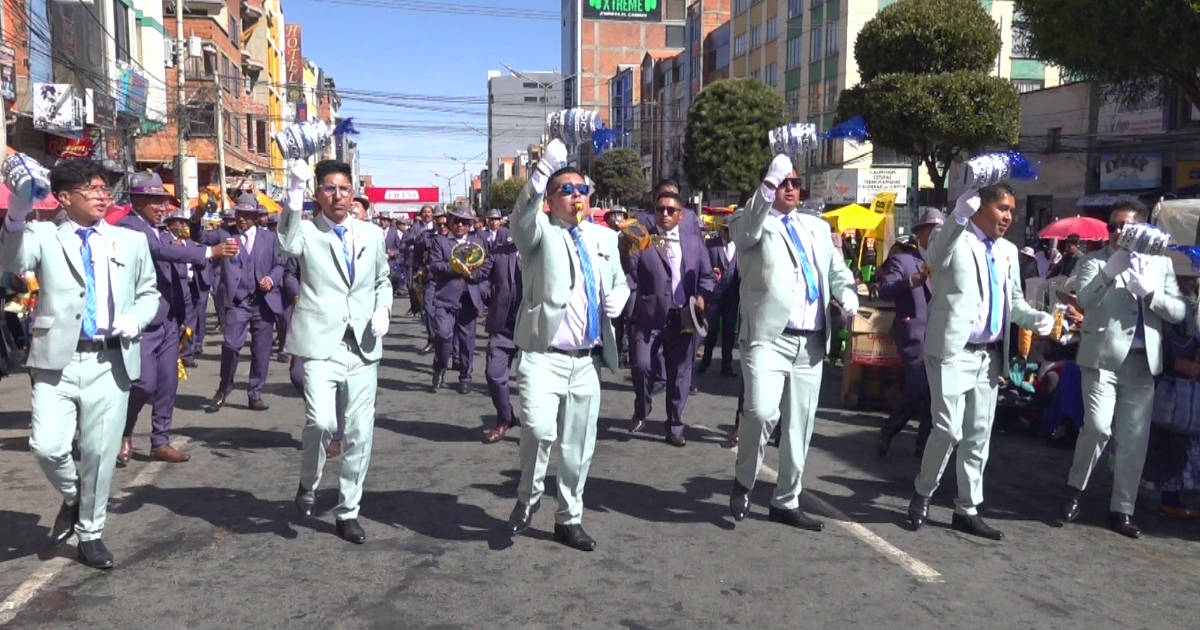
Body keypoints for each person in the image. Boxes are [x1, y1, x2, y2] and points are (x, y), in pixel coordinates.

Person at [1, 159, 159, 568]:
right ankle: (74, 498)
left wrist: (134, 318)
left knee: (99, 453)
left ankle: (91, 532)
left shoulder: (130, 241)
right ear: (64, 197)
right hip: (59, 360)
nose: (102, 195)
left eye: (105, 188)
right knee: (47, 446)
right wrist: (17, 213)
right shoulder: (44, 235)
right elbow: (12, 261)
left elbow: (149, 294)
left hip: (111, 361)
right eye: (91, 188)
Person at [908, 182, 1054, 540]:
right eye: (1002, 208)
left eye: (1011, 210)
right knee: (948, 428)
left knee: (978, 435)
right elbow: (935, 256)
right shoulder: (954, 238)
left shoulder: (1006, 251)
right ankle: (923, 491)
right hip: (953, 351)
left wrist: (1036, 318)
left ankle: (967, 508)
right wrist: (958, 214)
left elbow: (1014, 302)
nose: (1008, 216)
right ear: (981, 207)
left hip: (989, 357)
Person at [507, 139, 630, 551]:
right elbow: (521, 217)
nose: (577, 196)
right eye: (567, 190)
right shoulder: (540, 232)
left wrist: (621, 295)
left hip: (586, 360)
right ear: (552, 200)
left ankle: (569, 517)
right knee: (539, 430)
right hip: (544, 355)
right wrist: (542, 171)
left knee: (578, 447)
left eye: (583, 189)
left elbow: (617, 281)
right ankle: (528, 496)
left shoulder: (605, 238)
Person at [727, 154, 858, 532]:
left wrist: (847, 292)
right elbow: (745, 230)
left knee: (800, 425)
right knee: (762, 412)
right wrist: (767, 183)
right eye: (782, 181)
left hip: (811, 343)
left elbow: (836, 270)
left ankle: (786, 499)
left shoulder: (816, 227)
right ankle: (744, 478)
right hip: (769, 338)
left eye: (794, 182)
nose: (789, 187)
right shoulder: (751, 220)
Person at [279, 158, 392, 544]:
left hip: (362, 346)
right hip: (319, 344)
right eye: (329, 188)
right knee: (323, 423)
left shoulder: (372, 234)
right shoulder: (308, 233)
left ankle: (348, 510)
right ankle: (308, 482)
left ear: (353, 192)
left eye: (344, 188)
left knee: (360, 432)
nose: (338, 195)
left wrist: (383, 307)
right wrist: (293, 189)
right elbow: (286, 239)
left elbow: (382, 279)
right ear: (319, 194)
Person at [1060, 201, 1185, 538]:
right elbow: (1084, 298)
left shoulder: (1160, 264)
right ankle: (1075, 487)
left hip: (1142, 364)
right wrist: (1109, 271)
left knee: (1133, 441)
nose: (1115, 233)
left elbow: (1177, 311)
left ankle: (1122, 509)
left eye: (1124, 227)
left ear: (1141, 229)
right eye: (1112, 226)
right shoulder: (1094, 261)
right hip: (1102, 359)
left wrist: (1150, 295)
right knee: (1098, 427)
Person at [117, 173, 238, 464]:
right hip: (143, 320)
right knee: (143, 383)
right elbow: (162, 251)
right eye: (155, 202)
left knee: (168, 382)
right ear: (137, 200)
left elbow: (182, 249)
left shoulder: (159, 229)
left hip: (170, 317)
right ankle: (123, 431)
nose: (162, 208)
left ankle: (160, 440)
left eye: (163, 202)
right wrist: (210, 251)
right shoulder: (130, 227)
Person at [626, 191, 714, 446]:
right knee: (642, 366)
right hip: (649, 317)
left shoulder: (694, 243)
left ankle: (675, 425)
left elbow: (708, 277)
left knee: (680, 374)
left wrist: (702, 296)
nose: (664, 214)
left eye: (670, 210)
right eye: (660, 209)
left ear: (681, 215)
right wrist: (626, 249)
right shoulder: (644, 240)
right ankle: (642, 407)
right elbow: (630, 270)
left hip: (683, 318)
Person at [196, 193, 284, 412]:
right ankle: (224, 387)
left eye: (247, 215)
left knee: (261, 350)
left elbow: (280, 265)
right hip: (237, 302)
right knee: (231, 345)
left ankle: (255, 393)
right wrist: (198, 214)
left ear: (256, 217)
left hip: (262, 303)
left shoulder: (269, 238)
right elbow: (199, 236)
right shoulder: (225, 234)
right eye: (239, 214)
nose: (242, 218)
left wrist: (271, 279)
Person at [875, 209, 942, 458]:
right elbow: (885, 289)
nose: (937, 236)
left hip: (941, 333)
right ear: (920, 234)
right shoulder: (904, 261)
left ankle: (923, 444)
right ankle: (889, 430)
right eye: (932, 231)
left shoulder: (946, 260)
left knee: (934, 390)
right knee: (918, 386)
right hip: (913, 333)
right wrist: (910, 281)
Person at [427, 203, 491, 394]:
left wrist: (475, 277)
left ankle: (465, 376)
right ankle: (440, 365)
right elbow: (435, 265)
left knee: (466, 341)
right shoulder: (440, 241)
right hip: (445, 297)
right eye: (457, 221)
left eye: (465, 222)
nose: (460, 226)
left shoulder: (478, 242)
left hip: (468, 300)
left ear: (470, 224)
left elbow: (486, 267)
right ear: (450, 222)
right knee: (443, 335)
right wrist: (455, 267)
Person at [483, 228, 521, 443]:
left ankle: (537, 427)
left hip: (533, 328)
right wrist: (467, 265)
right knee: (494, 374)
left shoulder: (544, 251)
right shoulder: (499, 252)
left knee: (532, 383)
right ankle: (505, 418)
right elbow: (479, 274)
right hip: (502, 327)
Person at [698, 222, 739, 377]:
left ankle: (726, 365)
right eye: (726, 229)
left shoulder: (740, 247)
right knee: (712, 330)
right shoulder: (711, 245)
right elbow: (704, 266)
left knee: (729, 332)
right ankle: (705, 361)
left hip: (732, 297)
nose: (729, 233)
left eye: (732, 230)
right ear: (721, 230)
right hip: (714, 297)